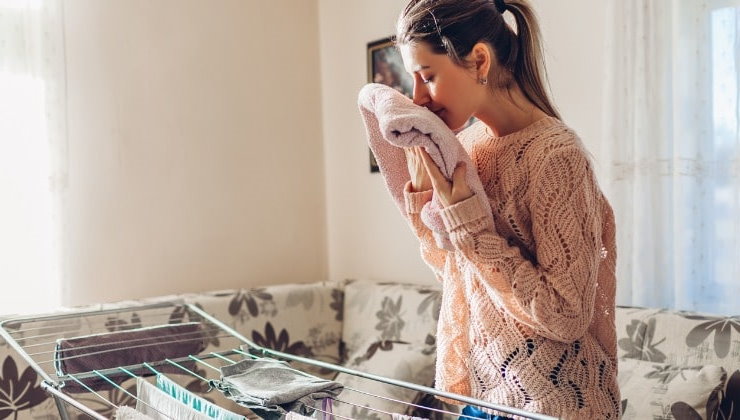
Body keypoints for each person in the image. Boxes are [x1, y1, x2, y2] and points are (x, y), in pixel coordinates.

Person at [394, 0, 620, 419]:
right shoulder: (468, 149)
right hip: (484, 397)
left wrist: (470, 226)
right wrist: (423, 198)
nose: (418, 98)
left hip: (554, 402)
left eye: (428, 76)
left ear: (479, 59)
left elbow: (566, 315)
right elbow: (459, 274)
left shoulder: (556, 157)